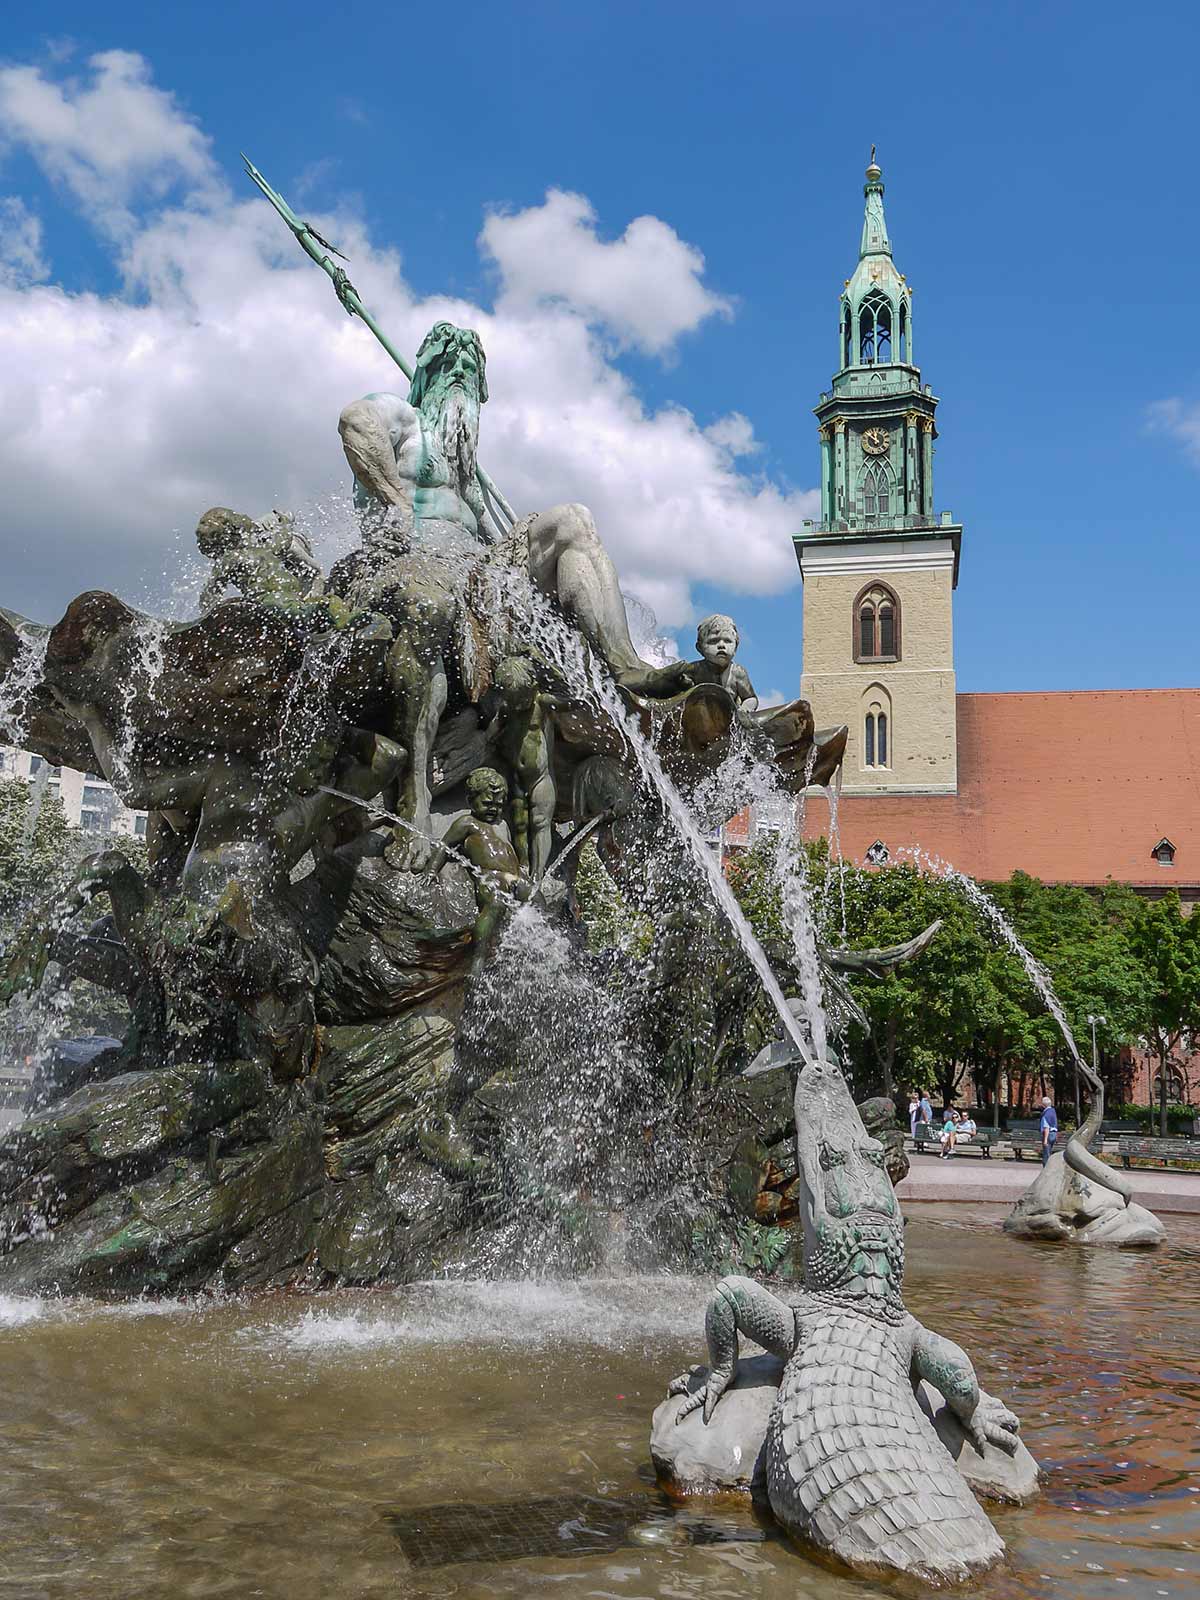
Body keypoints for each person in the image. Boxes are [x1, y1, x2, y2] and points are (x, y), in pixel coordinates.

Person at [1039, 1094, 1058, 1166]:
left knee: (1046, 1154)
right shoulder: (1053, 1111)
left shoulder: (1045, 1114)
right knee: (1049, 1152)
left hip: (1048, 1134)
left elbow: (1046, 1128)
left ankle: (1046, 1169)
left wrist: (1045, 1140)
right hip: (1053, 1134)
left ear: (1044, 1105)